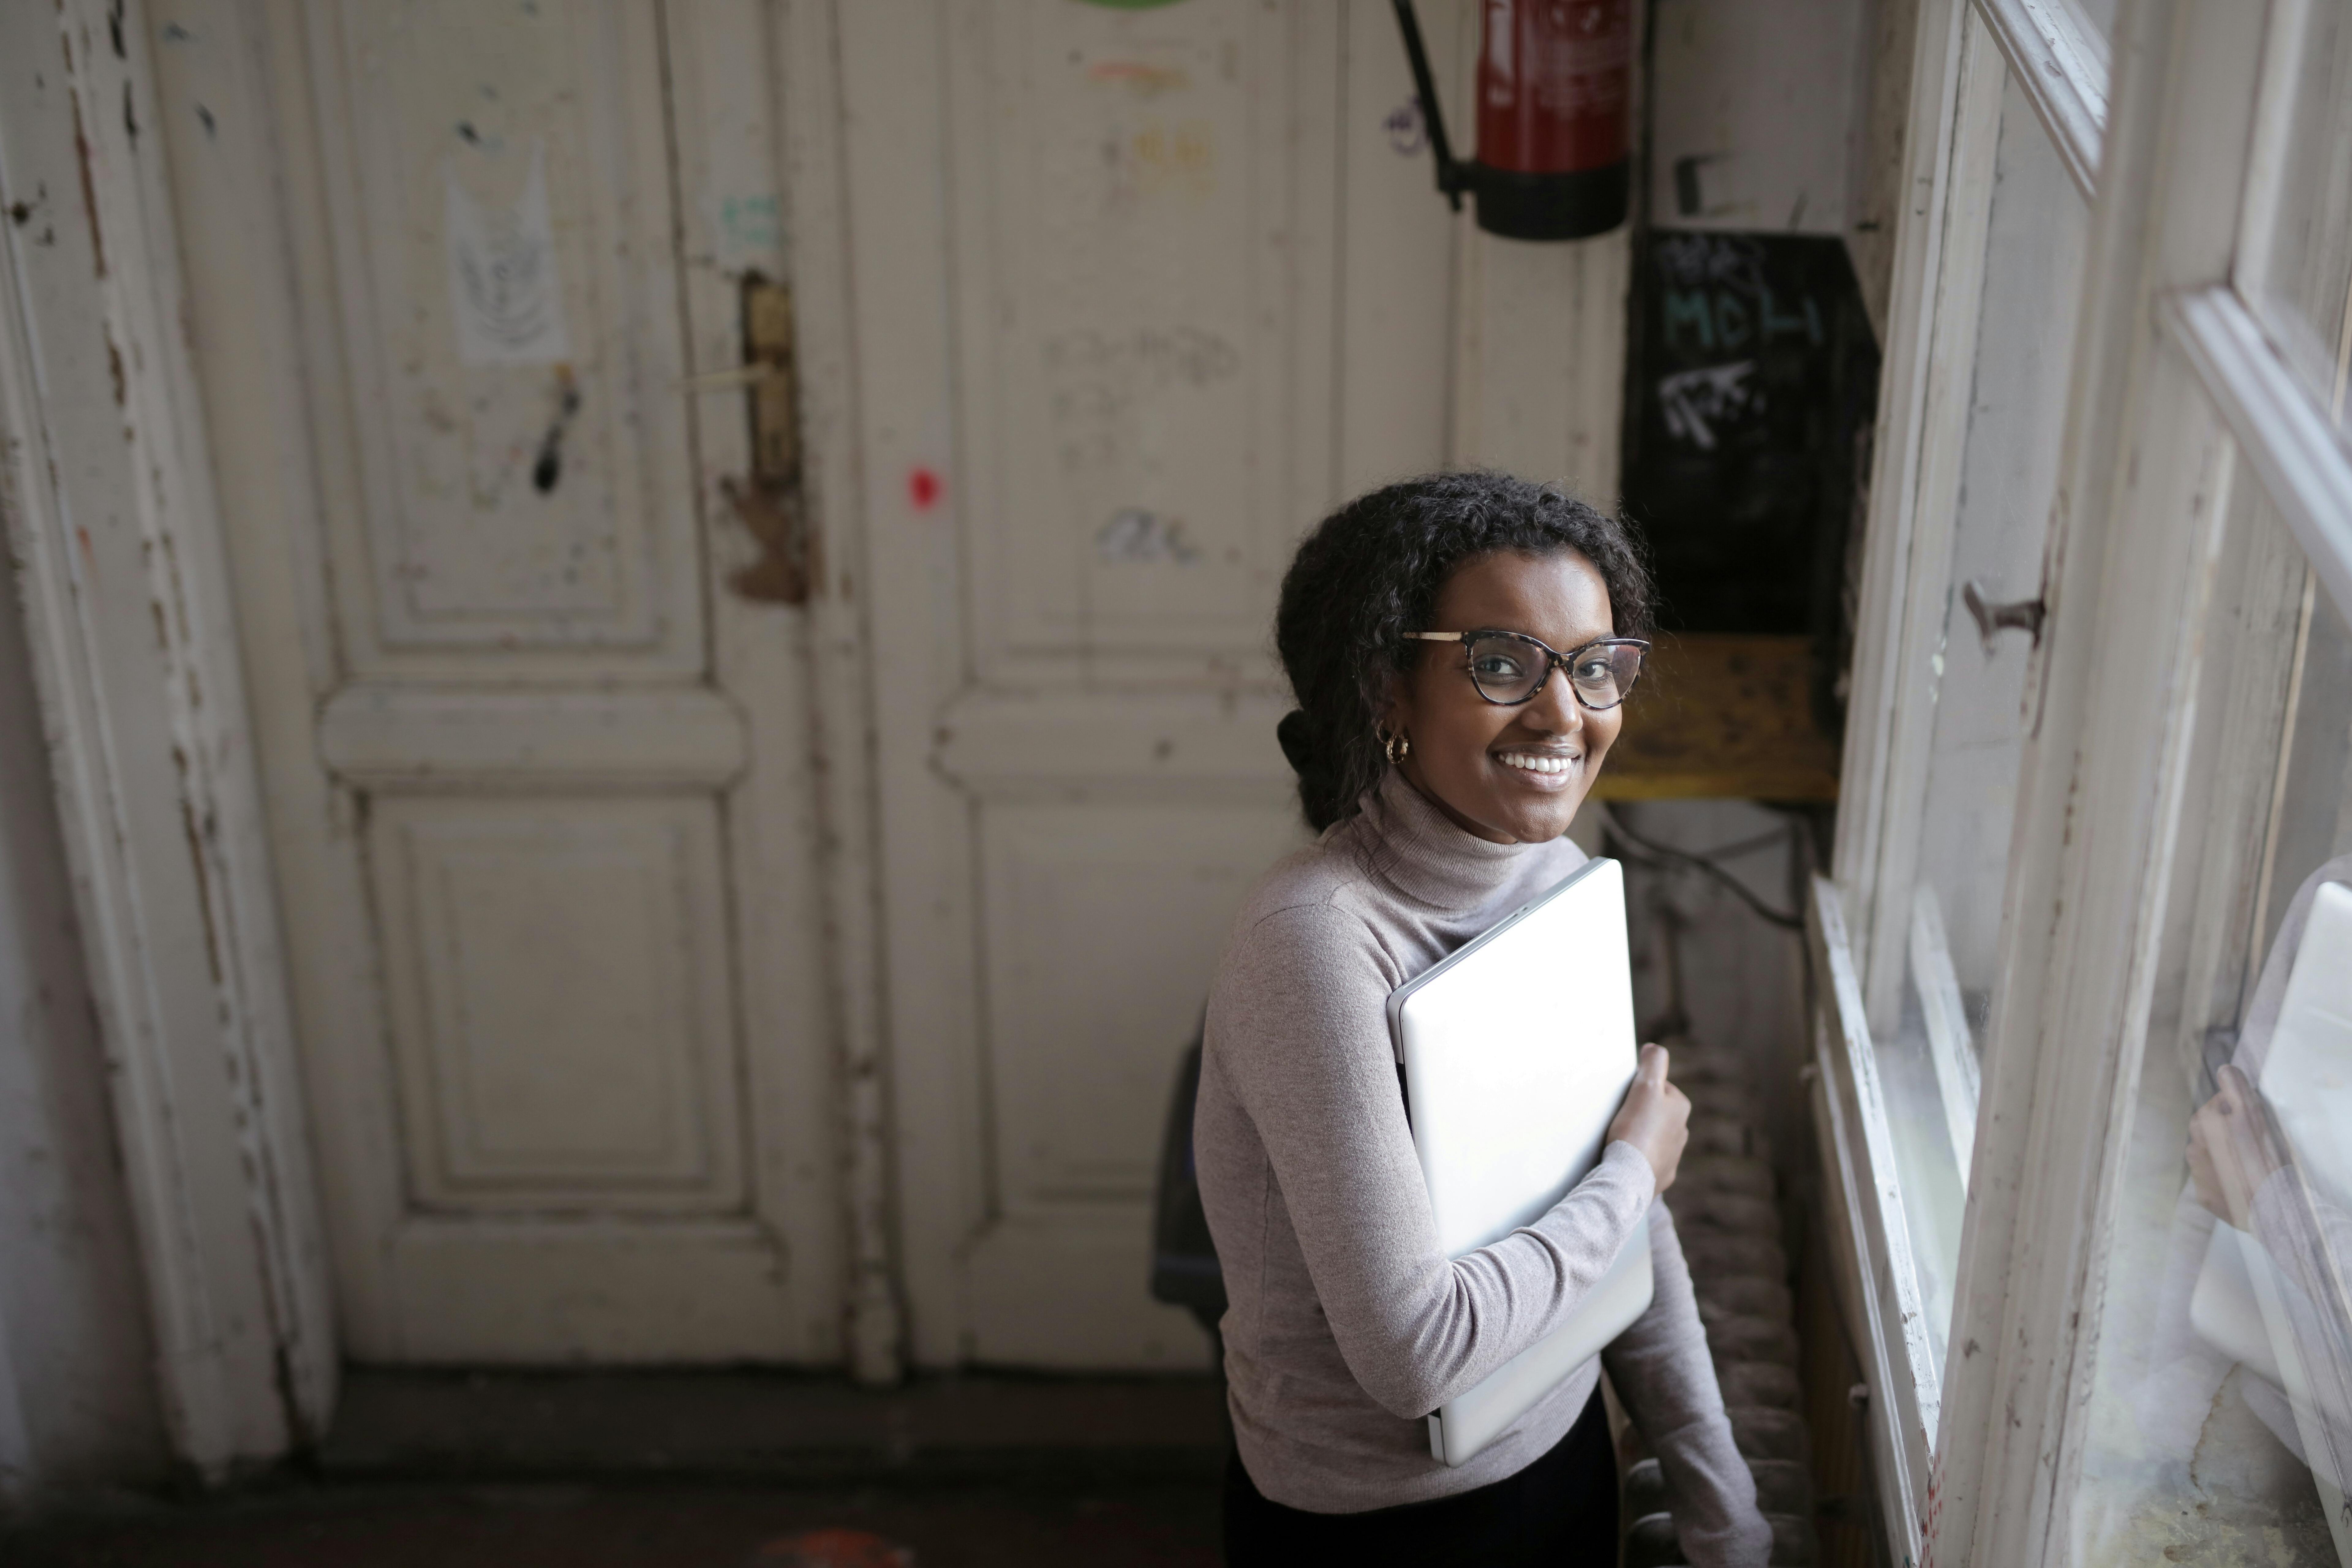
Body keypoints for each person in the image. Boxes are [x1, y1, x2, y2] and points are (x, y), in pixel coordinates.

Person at [1196, 472, 1771, 1566]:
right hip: (1373, 1527)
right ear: (1385, 688)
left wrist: (1720, 1502)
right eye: (1503, 664)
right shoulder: (1315, 939)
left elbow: (1618, 1230)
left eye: (1598, 668)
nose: (1566, 714)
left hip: (1562, 1456)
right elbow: (1419, 1355)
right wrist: (1634, 1174)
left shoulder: (1557, 875)